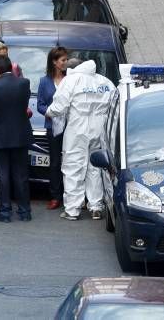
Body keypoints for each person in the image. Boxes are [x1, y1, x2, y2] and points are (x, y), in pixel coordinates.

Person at [46, 60, 114, 221]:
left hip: (77, 127)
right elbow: (114, 104)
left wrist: (49, 112)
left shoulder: (71, 80)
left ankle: (72, 209)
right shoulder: (104, 81)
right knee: (96, 167)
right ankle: (96, 207)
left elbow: (59, 107)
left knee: (73, 167)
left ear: (72, 68)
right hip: (100, 128)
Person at [0, 55, 32, 223]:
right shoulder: (24, 84)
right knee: (21, 175)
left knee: (3, 174)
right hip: (19, 134)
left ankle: (4, 212)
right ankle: (24, 211)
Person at [37, 46, 68, 211]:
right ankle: (55, 196)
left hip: (70, 126)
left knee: (70, 161)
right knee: (55, 162)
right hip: (52, 126)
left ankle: (70, 195)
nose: (66, 63)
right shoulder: (44, 81)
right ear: (55, 62)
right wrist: (49, 113)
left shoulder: (70, 79)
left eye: (66, 60)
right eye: (63, 60)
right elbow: (40, 105)